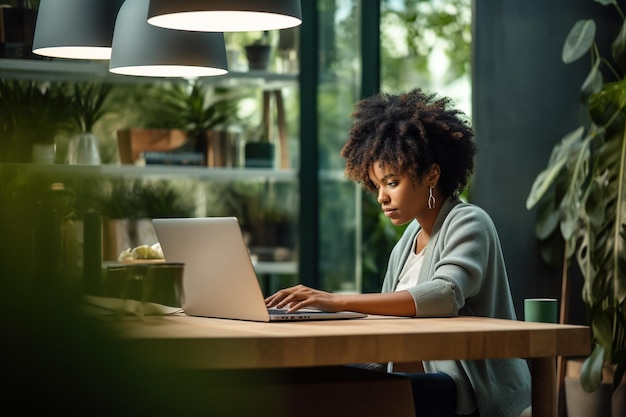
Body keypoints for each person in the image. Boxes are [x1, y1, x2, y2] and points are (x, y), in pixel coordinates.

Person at [265, 88, 532, 417]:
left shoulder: (469, 221)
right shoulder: (407, 241)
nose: (381, 197)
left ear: (432, 174)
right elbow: (385, 326)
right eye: (377, 185)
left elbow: (444, 294)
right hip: (412, 380)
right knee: (300, 384)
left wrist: (336, 301)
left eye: (392, 182)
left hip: (470, 391)